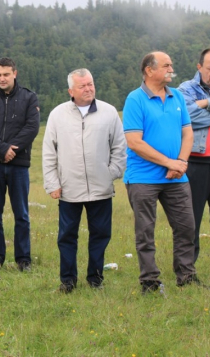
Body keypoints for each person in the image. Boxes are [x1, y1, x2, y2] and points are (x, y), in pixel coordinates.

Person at [123, 51, 206, 293]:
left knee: (186, 227)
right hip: (143, 178)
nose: (172, 69)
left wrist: (180, 161)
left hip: (176, 176)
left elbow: (187, 133)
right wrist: (168, 163)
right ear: (150, 70)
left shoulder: (177, 96)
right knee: (146, 231)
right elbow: (134, 142)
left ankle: (186, 276)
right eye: (167, 65)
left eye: (171, 65)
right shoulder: (135, 99)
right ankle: (149, 282)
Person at [42, 68, 127, 293]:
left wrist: (112, 173)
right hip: (69, 188)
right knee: (67, 236)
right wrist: (52, 183)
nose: (88, 88)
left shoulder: (109, 113)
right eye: (82, 86)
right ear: (71, 90)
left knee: (100, 235)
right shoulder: (58, 114)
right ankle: (68, 281)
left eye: (90, 84)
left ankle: (96, 278)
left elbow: (120, 146)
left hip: (101, 188)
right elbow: (49, 151)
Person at [0, 57, 40, 274]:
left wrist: (12, 150)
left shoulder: (29, 98)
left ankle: (24, 259)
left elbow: (32, 127)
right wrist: (2, 149)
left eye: (5, 74)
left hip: (19, 164)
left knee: (21, 213)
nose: (1, 78)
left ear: (15, 73)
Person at [178, 48, 210, 278]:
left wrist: (208, 104)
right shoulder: (185, 89)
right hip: (195, 162)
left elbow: (198, 113)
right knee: (191, 219)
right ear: (199, 67)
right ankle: (187, 269)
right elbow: (187, 116)